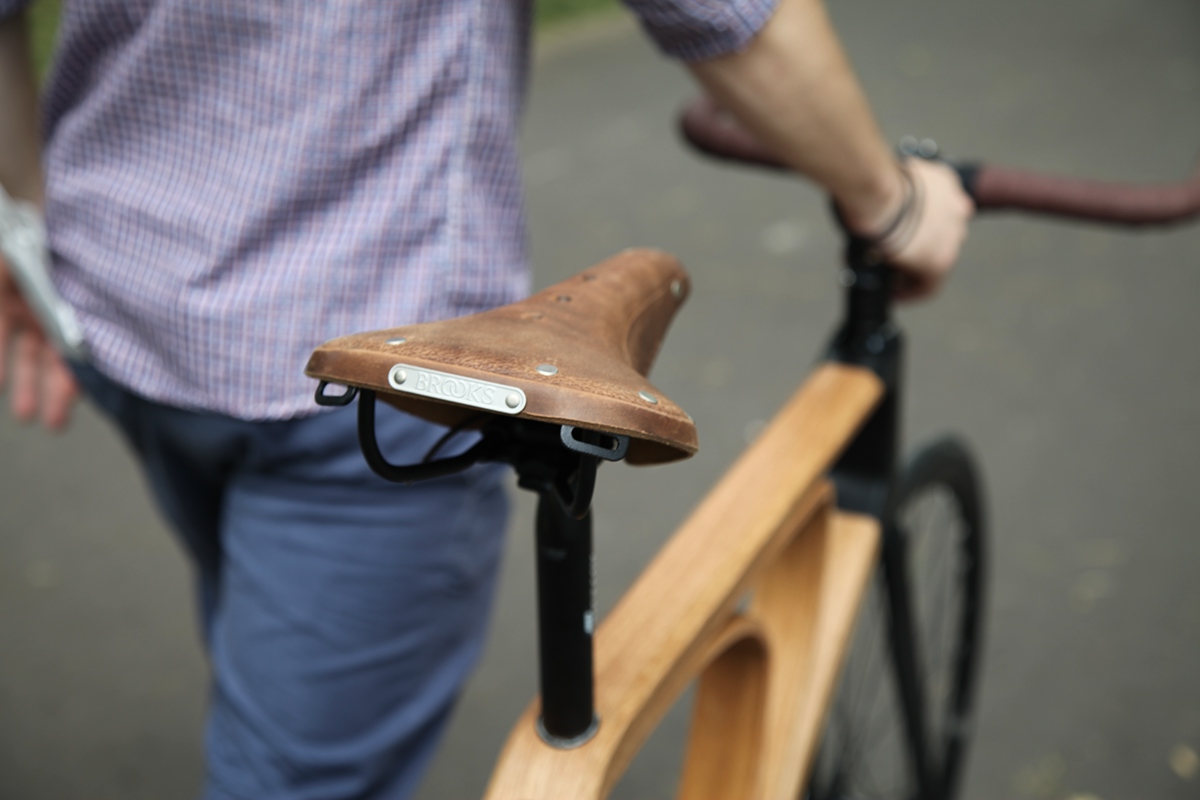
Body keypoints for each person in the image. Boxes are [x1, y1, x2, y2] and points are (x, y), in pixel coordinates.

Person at [0, 0, 972, 797]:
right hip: (390, 386)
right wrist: (891, 202)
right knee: (298, 774)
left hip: (120, 307)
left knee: (269, 640)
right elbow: (728, 14)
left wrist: (27, 226)